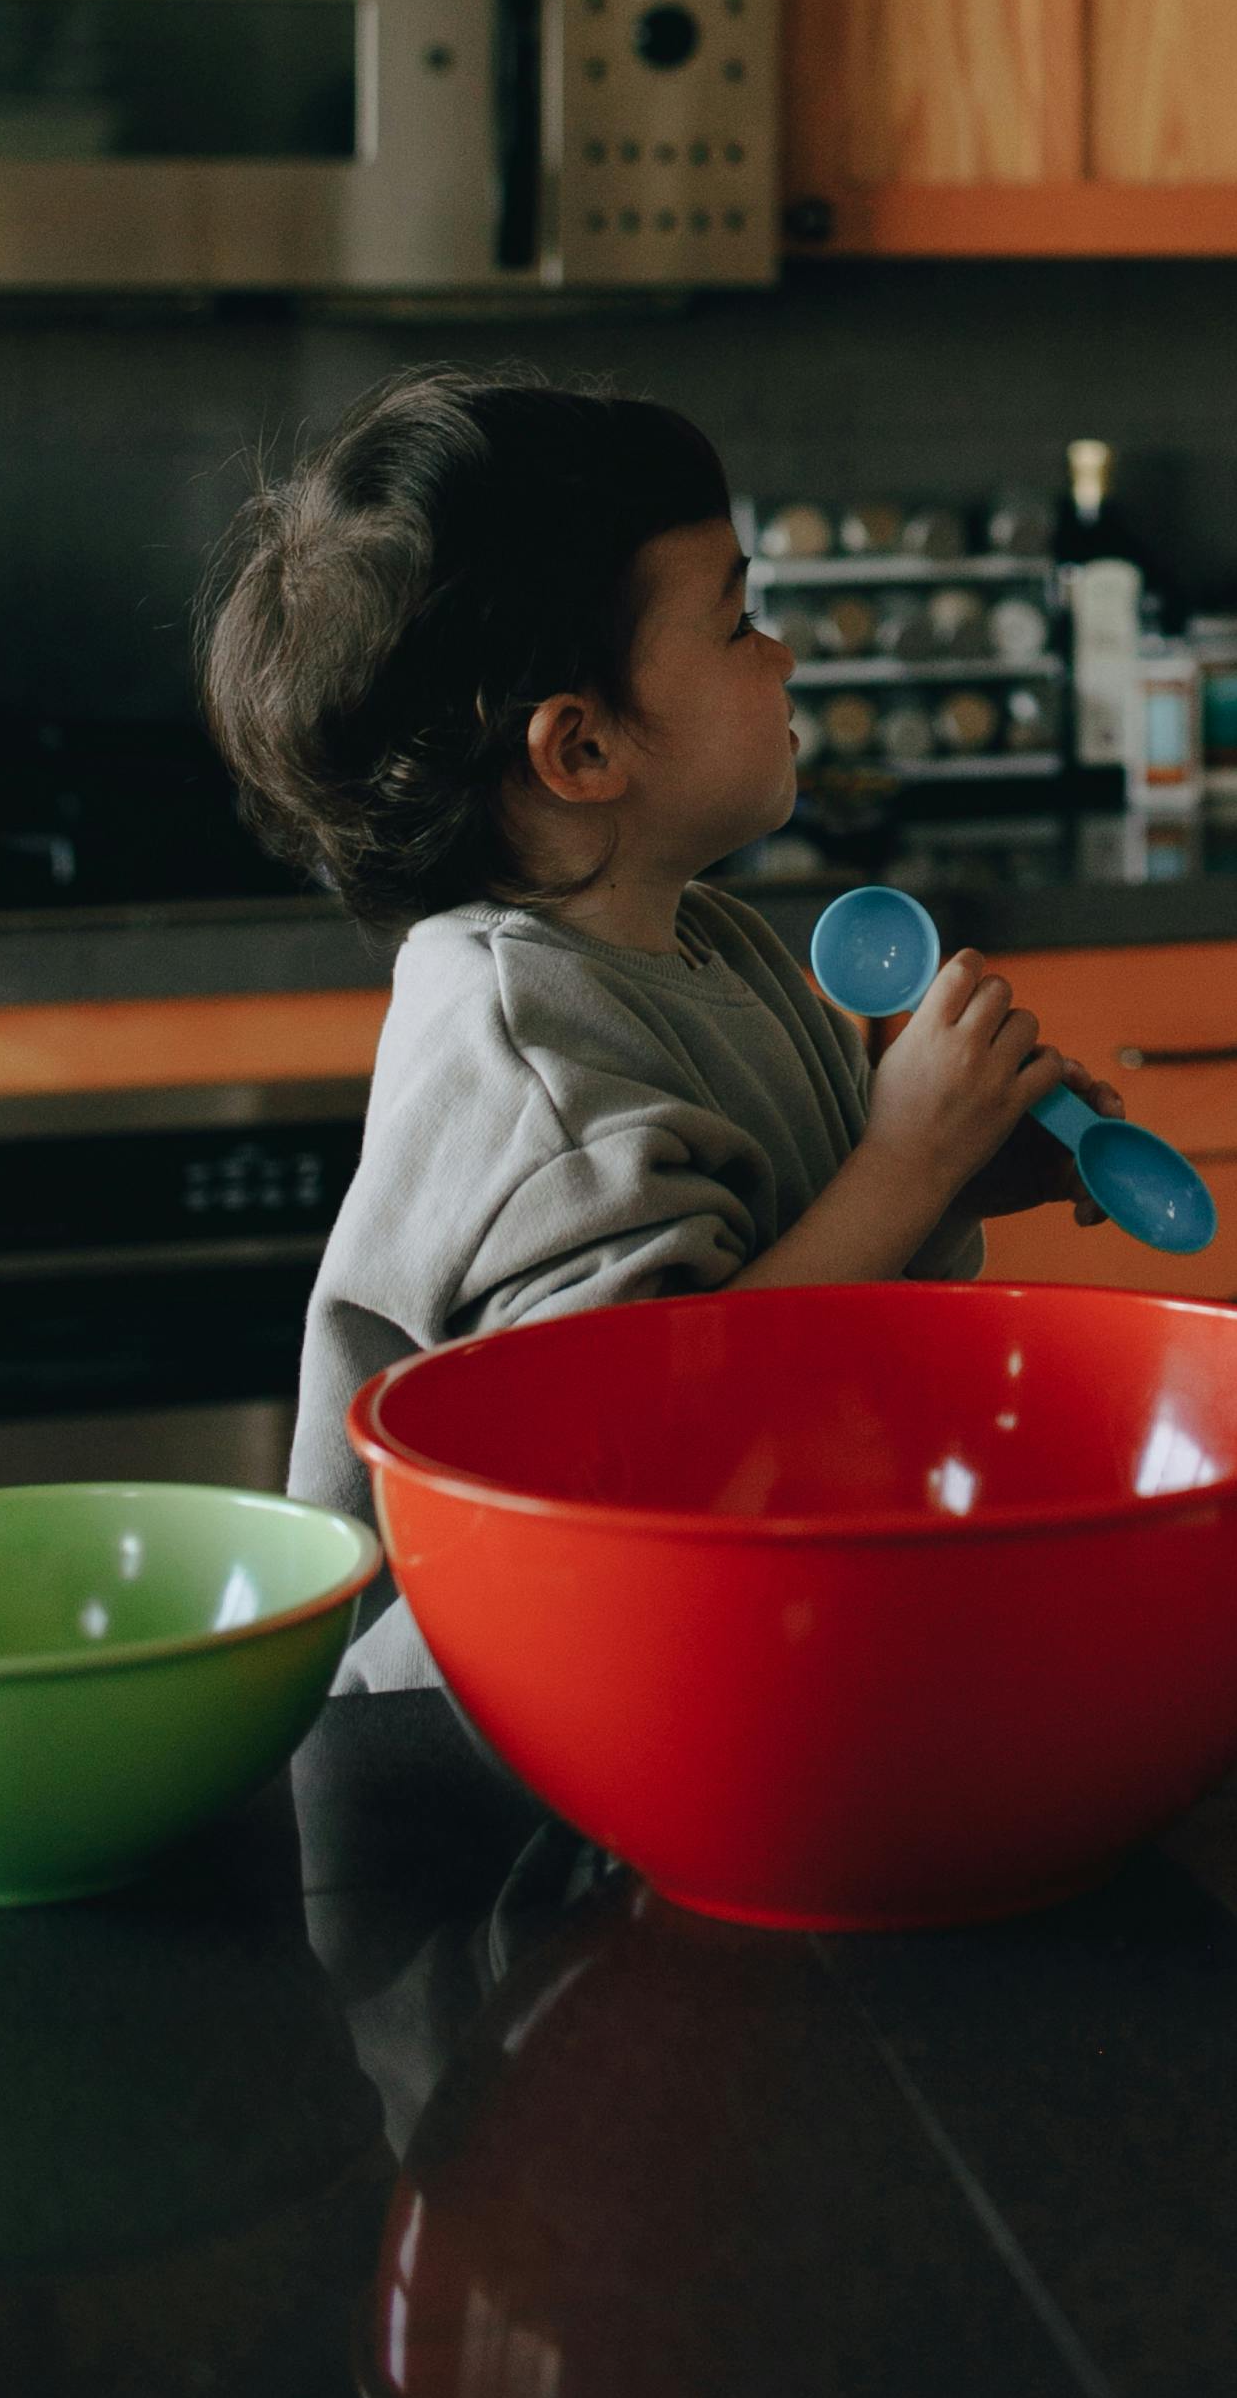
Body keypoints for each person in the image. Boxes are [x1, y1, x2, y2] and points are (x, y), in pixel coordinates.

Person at [202, 367, 1114, 1684]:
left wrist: (952, 1169)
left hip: (709, 1674)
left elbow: (805, 1261)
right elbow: (665, 1450)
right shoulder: (537, 1069)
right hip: (498, 1742)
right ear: (580, 753)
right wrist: (902, 1162)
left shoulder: (712, 941)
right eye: (739, 625)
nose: (785, 656)